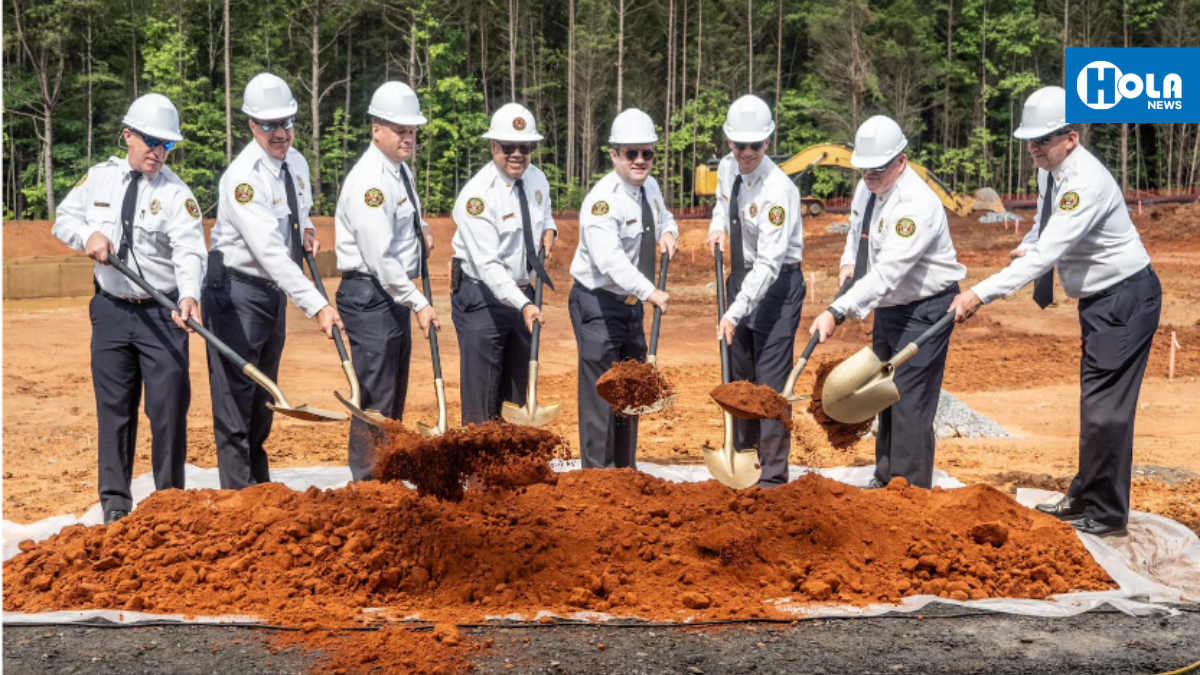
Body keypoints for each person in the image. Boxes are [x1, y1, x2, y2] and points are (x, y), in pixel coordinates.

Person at [948, 86, 1160, 538]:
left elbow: (1049, 253)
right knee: (1095, 405)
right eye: (1030, 141)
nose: (1033, 150)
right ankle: (1086, 493)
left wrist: (978, 295)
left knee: (1107, 412)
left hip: (1124, 298)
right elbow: (1044, 231)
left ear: (1072, 137)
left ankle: (1105, 515)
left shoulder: (1084, 182)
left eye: (1043, 141)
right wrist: (1026, 245)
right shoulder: (1051, 173)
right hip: (1101, 302)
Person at [52, 94, 206, 524]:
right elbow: (63, 218)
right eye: (152, 141)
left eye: (168, 145)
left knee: (168, 410)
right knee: (115, 410)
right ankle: (115, 507)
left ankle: (169, 504)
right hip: (111, 312)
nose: (159, 152)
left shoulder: (177, 194)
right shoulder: (99, 180)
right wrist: (88, 237)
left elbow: (191, 252)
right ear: (128, 135)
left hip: (163, 313)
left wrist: (189, 295)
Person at [808, 115, 966, 490]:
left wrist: (837, 310)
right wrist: (849, 261)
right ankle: (886, 478)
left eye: (877, 168)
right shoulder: (869, 187)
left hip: (925, 309)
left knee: (910, 401)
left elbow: (888, 271)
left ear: (901, 160)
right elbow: (857, 228)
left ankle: (909, 493)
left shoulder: (915, 205)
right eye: (863, 168)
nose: (868, 174)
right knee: (883, 394)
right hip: (891, 308)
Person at [205, 72, 344, 490]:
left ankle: (260, 486)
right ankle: (238, 498)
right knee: (236, 399)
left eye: (286, 123)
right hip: (235, 292)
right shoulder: (244, 178)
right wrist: (318, 304)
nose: (280, 133)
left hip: (271, 295)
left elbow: (296, 213)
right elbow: (267, 252)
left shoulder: (296, 163)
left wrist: (303, 233)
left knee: (263, 397)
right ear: (251, 125)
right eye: (269, 125)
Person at [334, 81, 440, 480]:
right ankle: (367, 482)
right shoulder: (370, 183)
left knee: (393, 393)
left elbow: (407, 219)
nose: (408, 138)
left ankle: (386, 477)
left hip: (390, 296)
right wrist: (418, 301)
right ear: (376, 129)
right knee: (375, 399)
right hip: (370, 295)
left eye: (412, 131)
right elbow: (380, 257)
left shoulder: (399, 172)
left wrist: (424, 228)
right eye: (401, 130)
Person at [570, 109, 678, 468]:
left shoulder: (650, 188)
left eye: (647, 153)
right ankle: (598, 478)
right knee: (603, 392)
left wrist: (669, 233)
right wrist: (651, 292)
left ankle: (624, 471)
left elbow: (665, 218)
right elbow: (609, 261)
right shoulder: (603, 201)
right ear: (614, 154)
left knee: (631, 389)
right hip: (599, 304)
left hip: (631, 306)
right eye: (631, 153)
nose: (640, 160)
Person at [706, 95, 805, 487]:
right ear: (729, 142)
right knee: (739, 377)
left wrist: (734, 311)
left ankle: (772, 477)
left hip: (777, 285)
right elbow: (721, 202)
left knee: (769, 385)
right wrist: (717, 225)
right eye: (739, 144)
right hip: (742, 278)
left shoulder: (777, 190)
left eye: (755, 146)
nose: (746, 153)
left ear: (768, 142)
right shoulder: (728, 167)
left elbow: (769, 263)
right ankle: (742, 463)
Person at [450, 103, 557, 425]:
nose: (517, 154)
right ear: (493, 146)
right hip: (481, 298)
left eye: (524, 147)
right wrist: (524, 304)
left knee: (515, 394)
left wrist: (550, 230)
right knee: (482, 398)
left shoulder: (537, 180)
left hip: (521, 294)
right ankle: (477, 472)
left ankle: (510, 470)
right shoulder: (477, 197)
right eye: (508, 147)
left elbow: (544, 214)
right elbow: (488, 264)